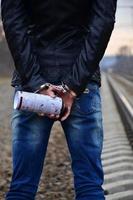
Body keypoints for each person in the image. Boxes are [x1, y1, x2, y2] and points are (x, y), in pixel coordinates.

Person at [1, 0, 117, 199]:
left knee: (21, 188)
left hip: (32, 86)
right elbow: (103, 22)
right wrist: (73, 87)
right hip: (82, 82)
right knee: (89, 186)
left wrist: (36, 83)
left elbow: (13, 22)